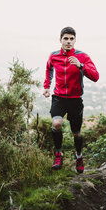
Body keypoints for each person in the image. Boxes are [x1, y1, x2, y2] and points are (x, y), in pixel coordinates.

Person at [43, 27, 99, 173]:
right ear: (60, 39)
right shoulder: (54, 56)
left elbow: (95, 76)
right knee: (56, 124)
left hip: (75, 99)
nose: (68, 41)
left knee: (77, 133)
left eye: (71, 39)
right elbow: (49, 69)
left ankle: (79, 157)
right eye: (65, 38)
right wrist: (47, 87)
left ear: (75, 40)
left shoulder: (83, 56)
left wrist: (81, 66)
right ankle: (58, 154)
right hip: (59, 98)